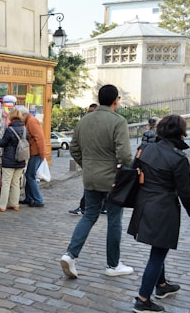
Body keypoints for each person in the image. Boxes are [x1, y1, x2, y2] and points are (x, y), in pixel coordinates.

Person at [128, 115, 190, 313]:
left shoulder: (144, 148)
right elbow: (185, 193)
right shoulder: (178, 159)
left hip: (144, 204)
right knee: (158, 253)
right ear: (180, 132)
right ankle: (143, 299)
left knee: (158, 247)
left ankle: (161, 286)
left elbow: (133, 171)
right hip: (163, 208)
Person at [60, 84, 134, 279]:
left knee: (89, 215)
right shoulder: (118, 121)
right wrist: (123, 169)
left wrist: (88, 165)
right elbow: (125, 155)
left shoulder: (84, 120)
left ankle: (70, 254)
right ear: (116, 100)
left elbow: (74, 148)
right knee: (114, 220)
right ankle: (113, 264)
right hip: (111, 179)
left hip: (90, 177)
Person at [68, 103, 107, 215]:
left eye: (91, 112)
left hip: (96, 164)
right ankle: (99, 206)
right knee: (94, 189)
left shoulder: (96, 127)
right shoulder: (85, 126)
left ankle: (87, 207)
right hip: (93, 164)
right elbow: (75, 147)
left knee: (92, 189)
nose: (88, 115)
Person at [0, 109, 26, 211]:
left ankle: (2, 206)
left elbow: (2, 143)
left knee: (6, 183)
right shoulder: (24, 128)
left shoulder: (10, 130)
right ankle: (15, 204)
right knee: (15, 183)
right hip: (21, 159)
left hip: (9, 160)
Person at [16, 106, 47, 207]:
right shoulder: (29, 121)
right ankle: (29, 198)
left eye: (19, 117)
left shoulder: (32, 122)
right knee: (29, 175)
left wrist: (42, 155)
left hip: (36, 153)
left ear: (24, 115)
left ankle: (38, 199)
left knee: (30, 176)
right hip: (35, 152)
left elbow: (40, 138)